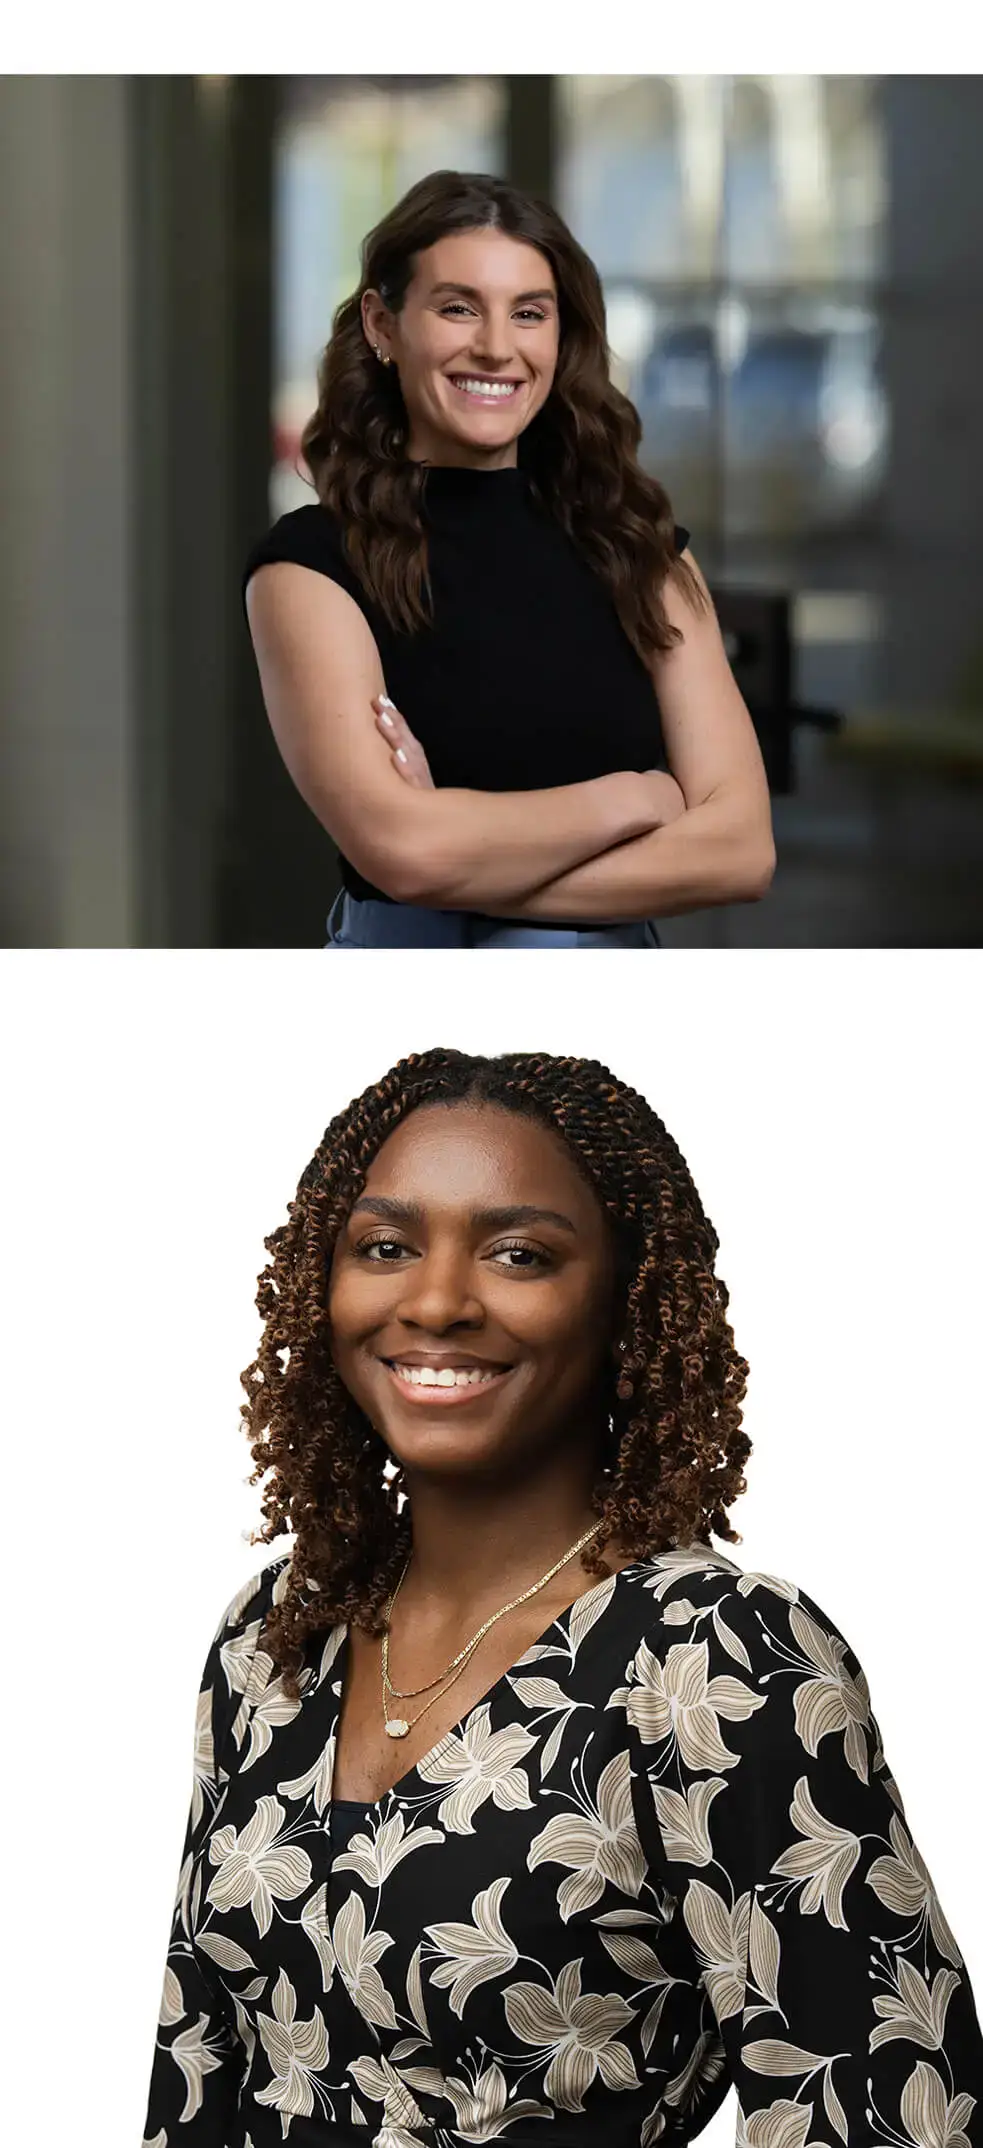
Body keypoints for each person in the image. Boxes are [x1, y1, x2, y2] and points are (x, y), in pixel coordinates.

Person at [141, 1047, 982, 2145]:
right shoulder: (275, 1633)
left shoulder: (711, 1657)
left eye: (518, 1255)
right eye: (385, 1248)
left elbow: (891, 2110)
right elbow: (196, 2063)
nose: (435, 1301)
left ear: (629, 1302)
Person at [243, 172, 775, 948]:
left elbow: (739, 852)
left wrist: (464, 855)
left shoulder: (639, 549)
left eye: (529, 313)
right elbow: (404, 852)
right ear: (383, 325)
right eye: (457, 307)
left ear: (560, 338)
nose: (496, 348)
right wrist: (634, 800)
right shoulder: (310, 568)